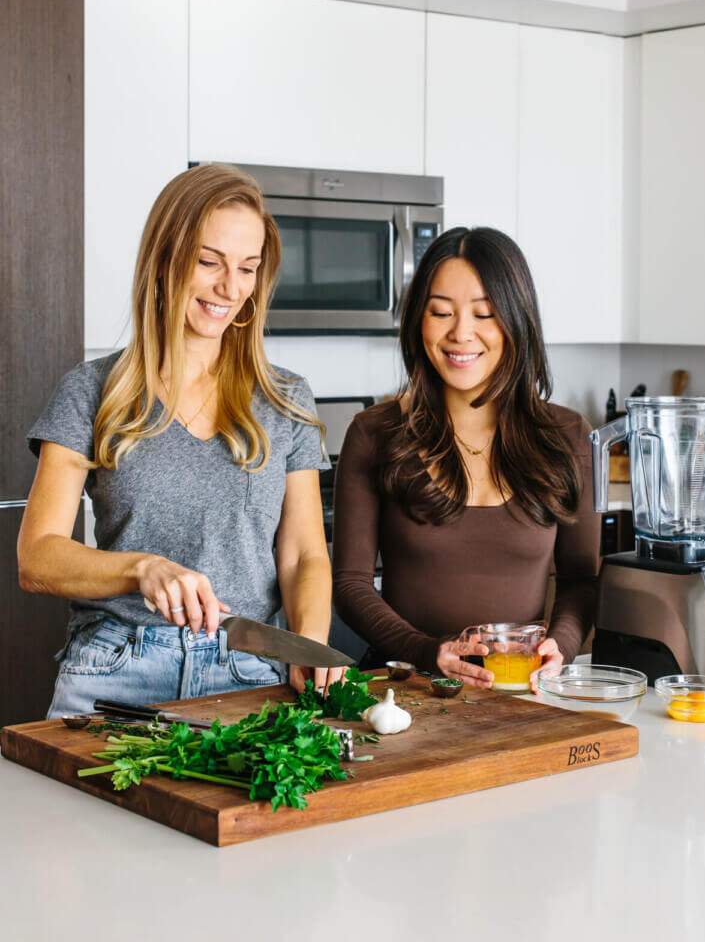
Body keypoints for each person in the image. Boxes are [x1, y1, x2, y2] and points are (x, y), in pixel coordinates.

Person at [18, 164, 338, 717]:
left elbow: (305, 554)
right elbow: (37, 555)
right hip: (114, 672)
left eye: (248, 268)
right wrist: (142, 568)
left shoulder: (285, 398)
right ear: (165, 260)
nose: (229, 287)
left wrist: (307, 642)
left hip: (247, 671)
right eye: (209, 262)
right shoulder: (92, 391)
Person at [332, 227, 600, 690]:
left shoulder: (568, 436)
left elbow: (581, 579)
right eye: (441, 312)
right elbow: (350, 584)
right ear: (419, 320)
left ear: (516, 321)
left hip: (522, 688)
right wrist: (428, 652)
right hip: (405, 685)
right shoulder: (375, 433)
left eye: (484, 314)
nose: (461, 334)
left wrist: (562, 646)